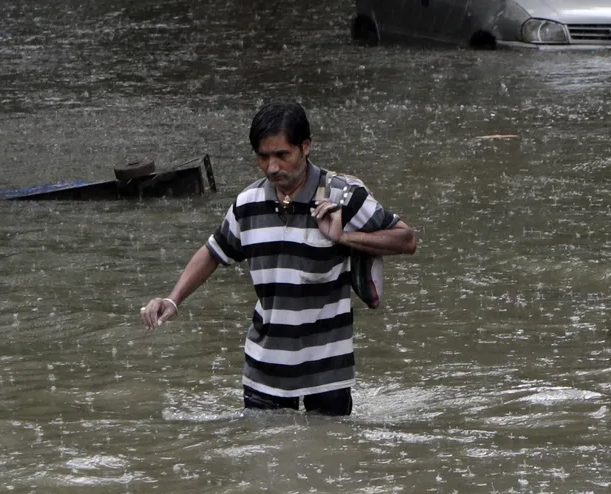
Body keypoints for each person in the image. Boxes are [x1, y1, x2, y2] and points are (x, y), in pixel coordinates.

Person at [141, 100, 417, 416]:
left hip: (327, 369)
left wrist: (344, 237)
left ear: (306, 147)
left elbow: (406, 239)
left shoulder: (341, 196)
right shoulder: (248, 204)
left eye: (282, 155)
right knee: (264, 454)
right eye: (263, 157)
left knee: (329, 454)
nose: (272, 167)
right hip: (265, 367)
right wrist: (173, 300)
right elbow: (214, 252)